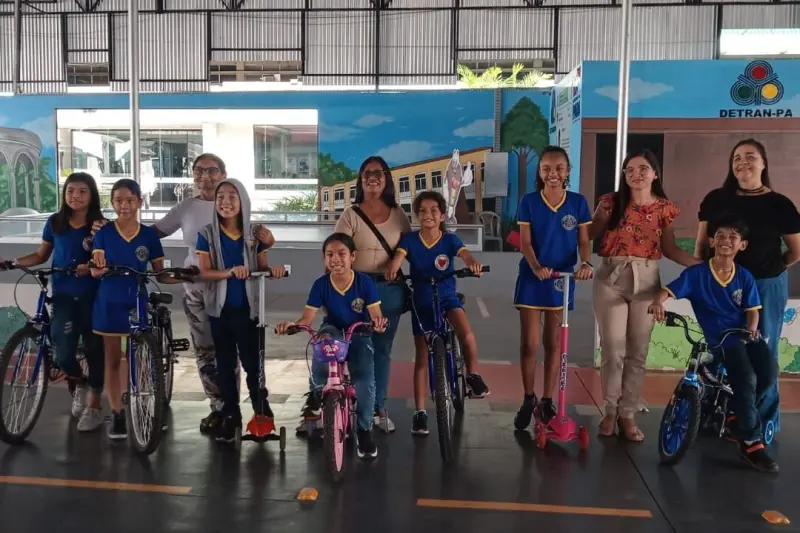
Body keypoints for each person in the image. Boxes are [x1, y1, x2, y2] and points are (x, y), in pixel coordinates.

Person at [91, 153, 275, 435]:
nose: (206, 176)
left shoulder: (236, 205)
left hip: (234, 292)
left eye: (212, 170)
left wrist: (269, 243)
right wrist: (109, 227)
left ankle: (239, 407)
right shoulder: (185, 207)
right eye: (199, 170)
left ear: (224, 173)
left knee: (236, 352)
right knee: (206, 351)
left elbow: (257, 247)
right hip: (197, 288)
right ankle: (219, 407)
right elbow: (148, 233)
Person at [649, 213, 779, 472]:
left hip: (743, 334)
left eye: (733, 237)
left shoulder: (744, 276)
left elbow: (752, 310)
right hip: (720, 340)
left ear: (742, 245)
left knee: (769, 373)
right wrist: (657, 303)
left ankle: (737, 414)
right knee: (746, 378)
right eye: (720, 235)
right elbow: (667, 291)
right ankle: (750, 442)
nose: (726, 240)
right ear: (711, 241)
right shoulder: (697, 274)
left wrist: (750, 330)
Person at [589, 149, 699, 441]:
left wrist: (702, 266)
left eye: (642, 169)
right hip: (611, 277)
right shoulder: (610, 203)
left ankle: (628, 413)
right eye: (629, 170)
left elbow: (670, 249)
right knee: (613, 349)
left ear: (655, 174)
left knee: (638, 351)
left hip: (647, 280)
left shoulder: (664, 209)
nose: (635, 174)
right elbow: (587, 234)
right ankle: (610, 410)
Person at [695, 139, 800, 439]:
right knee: (721, 349)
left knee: (761, 351)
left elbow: (795, 251)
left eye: (750, 157)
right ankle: (715, 416)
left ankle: (759, 424)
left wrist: (768, 270)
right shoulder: (716, 199)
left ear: (764, 163)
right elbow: (702, 245)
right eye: (737, 157)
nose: (743, 162)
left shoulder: (780, 204)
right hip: (722, 286)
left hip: (766, 286)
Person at [298, 156, 410, 435]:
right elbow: (336, 251)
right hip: (355, 290)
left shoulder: (399, 213)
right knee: (343, 346)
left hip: (388, 290)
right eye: (367, 173)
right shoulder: (351, 214)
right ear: (360, 179)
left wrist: (398, 260)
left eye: (378, 173)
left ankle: (377, 407)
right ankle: (330, 402)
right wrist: (328, 296)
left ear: (387, 178)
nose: (373, 177)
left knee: (381, 350)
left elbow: (408, 245)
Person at [1, 172, 106, 432]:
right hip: (62, 293)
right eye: (70, 191)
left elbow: (106, 257)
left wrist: (90, 265)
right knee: (63, 353)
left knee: (94, 348)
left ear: (91, 195)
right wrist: (12, 263)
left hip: (94, 295)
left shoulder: (100, 225)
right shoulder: (55, 222)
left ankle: (94, 406)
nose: (75, 196)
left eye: (82, 191)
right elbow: (41, 255)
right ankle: (79, 381)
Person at [385, 191, 489, 435]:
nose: (428, 215)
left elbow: (465, 255)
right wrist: (393, 268)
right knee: (422, 357)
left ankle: (473, 376)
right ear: (416, 215)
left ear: (442, 216)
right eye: (422, 211)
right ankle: (420, 412)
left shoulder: (450, 240)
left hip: (447, 298)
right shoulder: (410, 240)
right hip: (421, 302)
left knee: (466, 334)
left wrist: (472, 264)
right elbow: (398, 257)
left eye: (434, 210)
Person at [276, 233, 389, 459]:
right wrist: (292, 325)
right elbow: (307, 319)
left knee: (365, 381)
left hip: (359, 331)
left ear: (352, 257)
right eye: (329, 254)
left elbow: (376, 314)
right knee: (322, 345)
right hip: (333, 330)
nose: (335, 259)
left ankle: (364, 430)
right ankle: (318, 392)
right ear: (324, 259)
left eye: (341, 254)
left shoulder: (364, 283)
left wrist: (378, 323)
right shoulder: (321, 284)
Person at [195, 178, 286, 443]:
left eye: (232, 196)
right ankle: (231, 414)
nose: (225, 202)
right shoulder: (206, 233)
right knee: (224, 364)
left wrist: (273, 269)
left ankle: (261, 409)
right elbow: (204, 272)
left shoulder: (255, 233)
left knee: (252, 363)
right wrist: (229, 272)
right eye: (220, 197)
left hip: (249, 312)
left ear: (243, 201)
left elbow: (262, 267)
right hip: (219, 311)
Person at [511, 146, 593, 431]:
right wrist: (535, 266)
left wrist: (586, 263)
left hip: (561, 279)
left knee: (553, 343)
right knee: (529, 343)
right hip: (533, 278)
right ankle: (528, 398)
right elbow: (525, 242)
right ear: (539, 171)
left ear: (568, 171)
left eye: (559, 168)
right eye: (546, 168)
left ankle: (547, 400)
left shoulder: (578, 203)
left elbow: (584, 241)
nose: (553, 174)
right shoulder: (529, 201)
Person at [89, 179, 168, 440]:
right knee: (112, 359)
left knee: (143, 357)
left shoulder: (149, 236)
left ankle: (146, 408)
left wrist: (188, 275)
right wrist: (98, 268)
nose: (124, 206)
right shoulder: (103, 233)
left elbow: (160, 273)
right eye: (118, 201)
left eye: (130, 200)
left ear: (139, 202)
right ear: (112, 203)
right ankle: (117, 413)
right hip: (109, 299)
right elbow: (95, 269)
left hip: (137, 299)